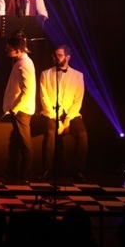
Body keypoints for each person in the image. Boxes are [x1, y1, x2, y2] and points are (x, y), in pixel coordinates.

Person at [38, 44, 88, 181]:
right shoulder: (46, 74)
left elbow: (78, 100)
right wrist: (57, 120)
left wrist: (67, 121)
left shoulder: (78, 75)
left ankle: (79, 171)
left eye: (59, 55)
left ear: (68, 57)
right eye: (55, 55)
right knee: (50, 132)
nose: (56, 58)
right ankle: (46, 169)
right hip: (51, 113)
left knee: (82, 134)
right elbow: (44, 98)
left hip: (71, 114)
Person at [2, 34, 36, 183]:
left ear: (17, 50)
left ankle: (25, 175)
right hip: (19, 109)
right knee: (18, 142)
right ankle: (16, 172)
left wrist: (14, 108)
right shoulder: (21, 62)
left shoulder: (24, 65)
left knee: (25, 144)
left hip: (21, 110)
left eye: (9, 49)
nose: (6, 51)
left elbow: (27, 91)